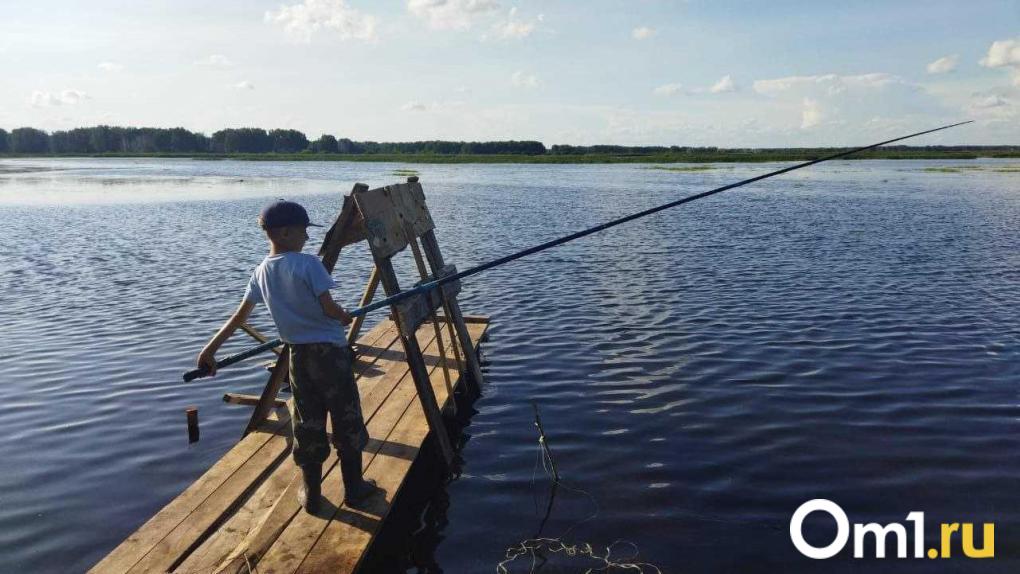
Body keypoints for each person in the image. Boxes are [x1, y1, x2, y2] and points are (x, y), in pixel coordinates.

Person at [196, 199, 378, 513]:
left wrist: (209, 350)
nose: (307, 236)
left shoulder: (260, 272)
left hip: (297, 357)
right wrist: (343, 316)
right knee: (346, 416)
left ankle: (312, 495)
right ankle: (354, 489)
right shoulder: (308, 264)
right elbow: (328, 307)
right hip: (330, 355)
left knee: (307, 421)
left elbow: (239, 318)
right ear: (284, 233)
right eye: (303, 231)